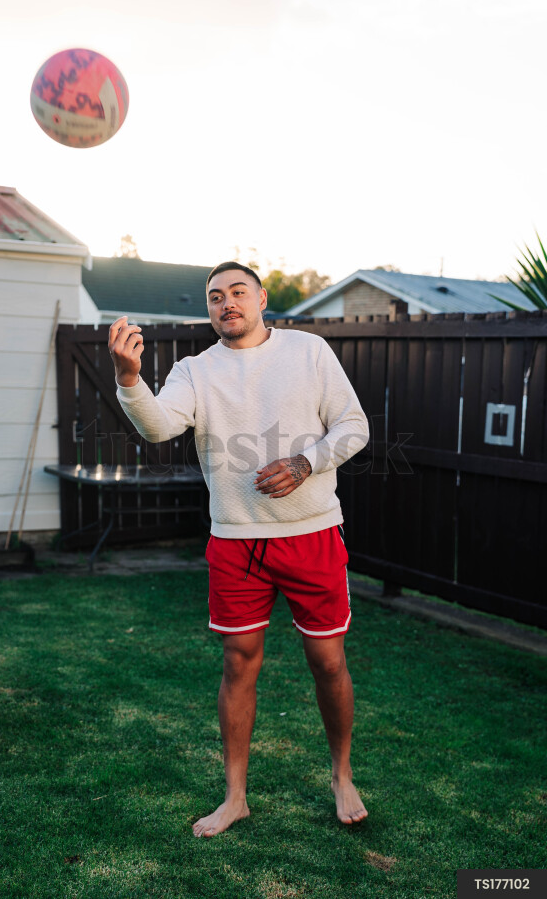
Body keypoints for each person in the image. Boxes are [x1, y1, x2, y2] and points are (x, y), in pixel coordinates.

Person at [108, 261, 370, 837]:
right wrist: (130, 378)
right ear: (209, 309)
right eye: (214, 296)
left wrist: (307, 462)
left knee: (328, 662)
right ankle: (235, 797)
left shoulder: (308, 352)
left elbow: (354, 426)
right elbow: (158, 428)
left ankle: (343, 774)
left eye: (237, 292)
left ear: (261, 299)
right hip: (236, 542)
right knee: (237, 664)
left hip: (313, 534)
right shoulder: (194, 370)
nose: (226, 302)